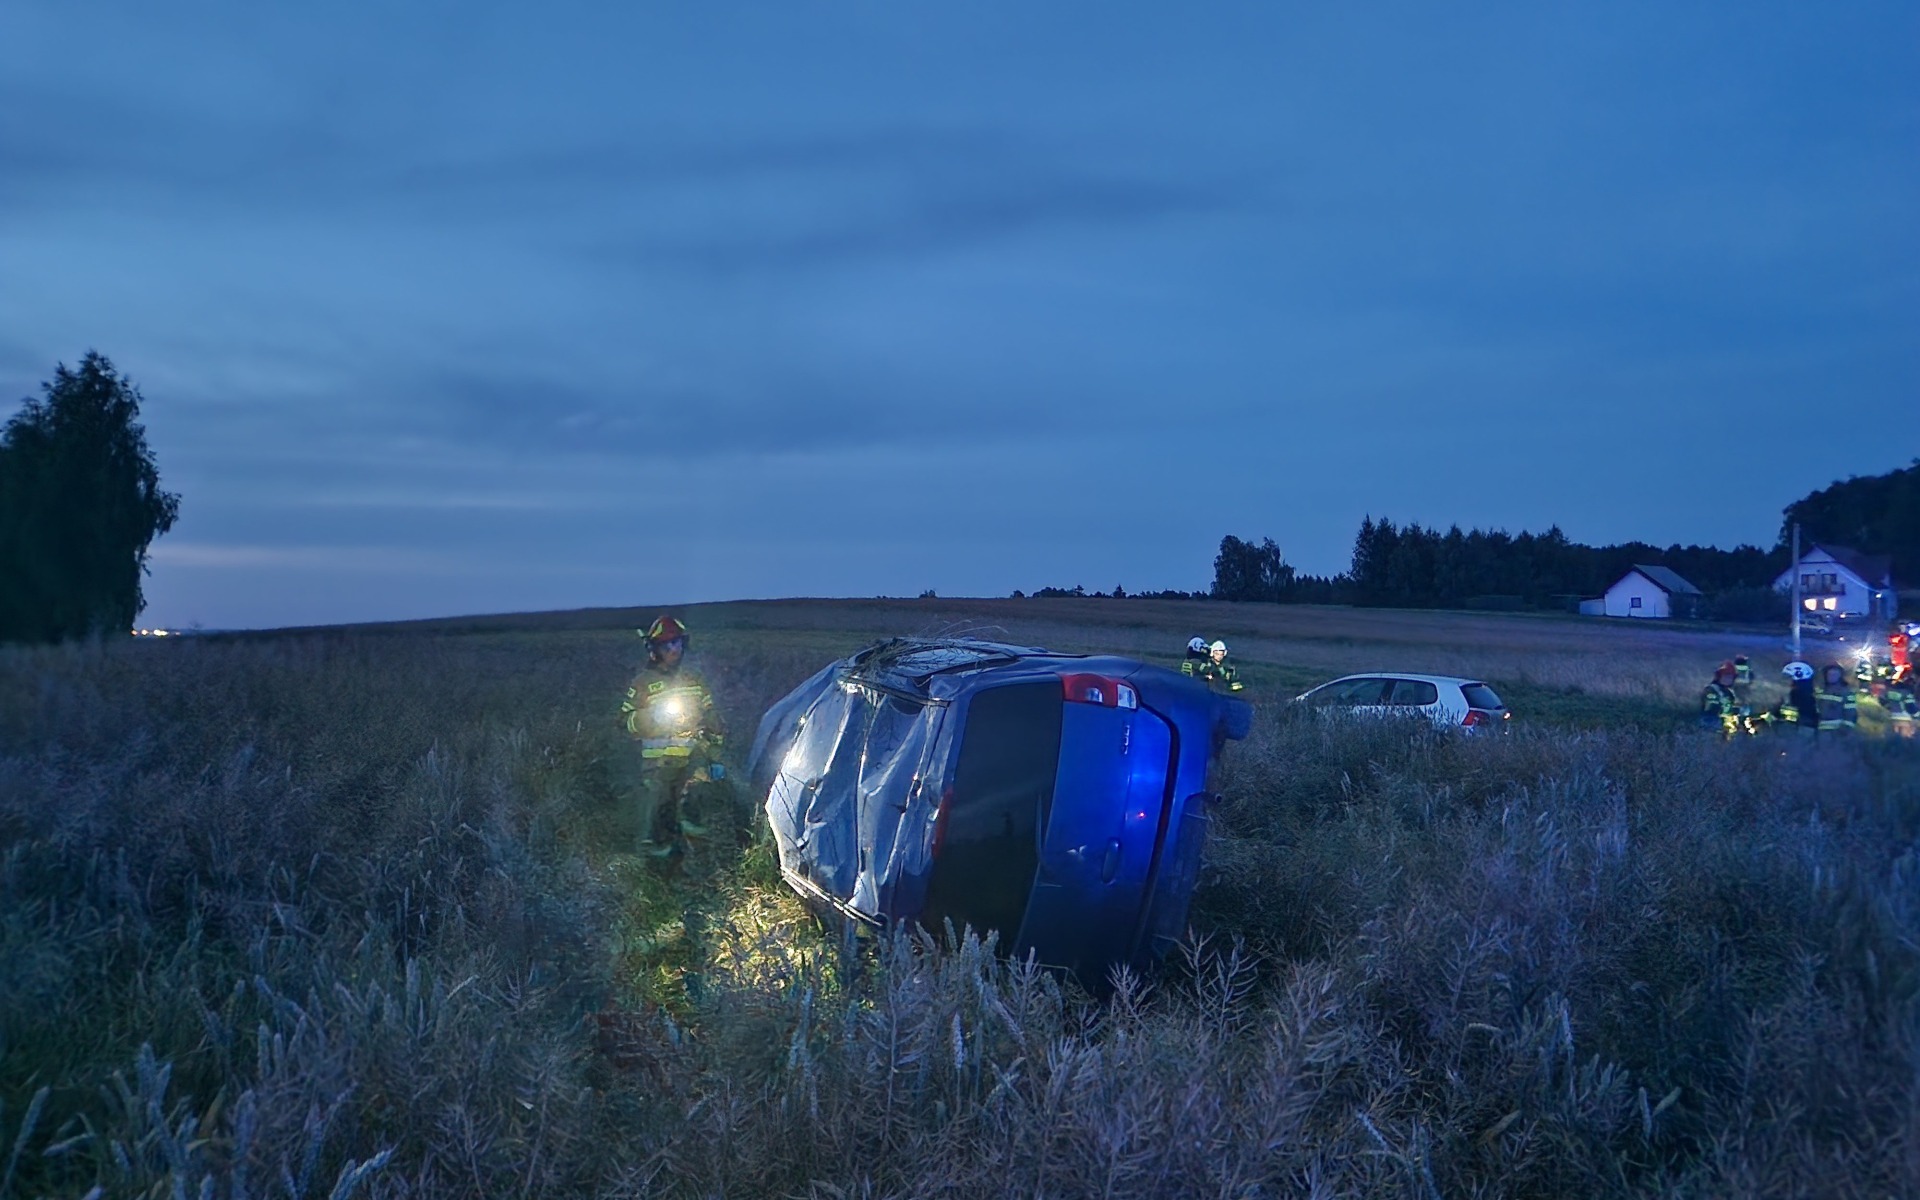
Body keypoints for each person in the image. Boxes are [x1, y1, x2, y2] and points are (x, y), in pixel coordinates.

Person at [619, 615, 727, 857]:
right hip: (657, 766)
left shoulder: (694, 680)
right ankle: (656, 867)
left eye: (677, 643)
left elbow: (712, 719)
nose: (673, 650)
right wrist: (651, 717)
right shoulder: (643, 683)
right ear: (654, 649)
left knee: (696, 805)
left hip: (693, 761)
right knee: (659, 813)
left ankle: (699, 863)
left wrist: (715, 754)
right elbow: (624, 721)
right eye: (667, 645)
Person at [1814, 661, 1859, 738]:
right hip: (1819, 729)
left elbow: (1851, 713)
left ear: (1840, 676)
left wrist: (1845, 729)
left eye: (1834, 675)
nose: (1831, 677)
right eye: (1830, 674)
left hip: (1835, 732)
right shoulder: (1821, 691)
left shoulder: (1847, 693)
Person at [1700, 661, 1743, 739]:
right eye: (1725, 676)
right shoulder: (1711, 690)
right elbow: (1711, 708)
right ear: (1719, 676)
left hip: (1727, 725)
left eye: (1730, 677)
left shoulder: (1729, 692)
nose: (1728, 679)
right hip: (1711, 725)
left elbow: (1733, 706)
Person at [1776, 661, 1817, 739]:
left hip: (1800, 733)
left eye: (1788, 677)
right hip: (1793, 732)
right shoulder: (1795, 693)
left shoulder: (1802, 696)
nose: (1785, 681)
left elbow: (1802, 717)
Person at [1885, 662, 1917, 739]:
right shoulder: (1906, 692)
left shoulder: (1890, 691)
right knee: (1906, 738)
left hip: (1894, 717)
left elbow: (1883, 701)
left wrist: (1890, 709)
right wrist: (1917, 715)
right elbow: (1910, 707)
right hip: (1905, 719)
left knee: (1896, 738)